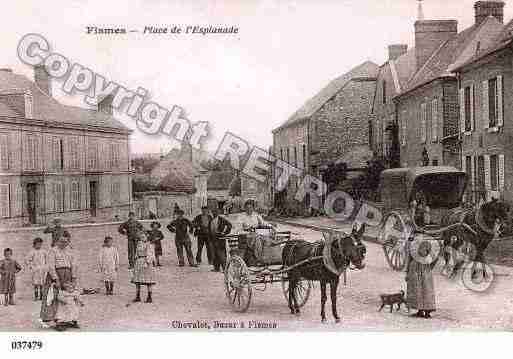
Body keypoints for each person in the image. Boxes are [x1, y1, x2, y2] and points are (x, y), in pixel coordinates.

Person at [40, 235, 79, 327]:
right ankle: (54, 320)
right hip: (56, 275)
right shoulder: (52, 251)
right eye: (61, 241)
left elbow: (74, 264)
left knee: (68, 298)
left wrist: (74, 277)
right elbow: (50, 266)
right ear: (57, 241)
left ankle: (69, 319)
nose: (63, 243)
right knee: (55, 296)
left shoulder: (70, 251)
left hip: (67, 275)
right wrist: (56, 279)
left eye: (65, 242)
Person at [405, 238, 437, 319]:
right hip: (417, 269)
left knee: (425, 289)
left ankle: (427, 311)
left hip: (423, 269)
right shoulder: (414, 245)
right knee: (418, 290)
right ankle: (421, 310)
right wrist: (408, 272)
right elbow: (409, 258)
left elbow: (434, 258)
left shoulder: (427, 245)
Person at [131, 231, 156, 303]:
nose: (142, 238)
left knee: (148, 281)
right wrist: (135, 260)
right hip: (139, 262)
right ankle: (138, 296)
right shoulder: (139, 243)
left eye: (143, 237)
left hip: (146, 263)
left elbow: (151, 254)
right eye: (141, 237)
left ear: (147, 237)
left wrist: (147, 262)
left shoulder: (150, 244)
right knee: (137, 280)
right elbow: (136, 252)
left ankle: (149, 297)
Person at [208, 208, 232, 272]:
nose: (214, 213)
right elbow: (210, 230)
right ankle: (216, 268)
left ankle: (225, 268)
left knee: (222, 254)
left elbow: (229, 225)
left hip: (220, 238)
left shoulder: (222, 219)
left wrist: (225, 232)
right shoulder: (211, 220)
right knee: (215, 254)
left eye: (216, 212)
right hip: (213, 239)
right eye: (213, 212)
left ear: (218, 212)